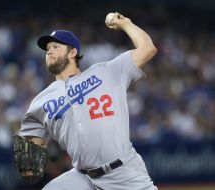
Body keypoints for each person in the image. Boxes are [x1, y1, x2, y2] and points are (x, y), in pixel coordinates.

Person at [15, 12, 158, 190]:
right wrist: (28, 160)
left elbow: (147, 48)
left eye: (55, 46)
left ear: (73, 52)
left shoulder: (106, 71)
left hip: (123, 173)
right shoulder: (40, 101)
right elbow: (30, 150)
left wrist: (126, 24)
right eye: (47, 49)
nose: (49, 50)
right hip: (82, 179)